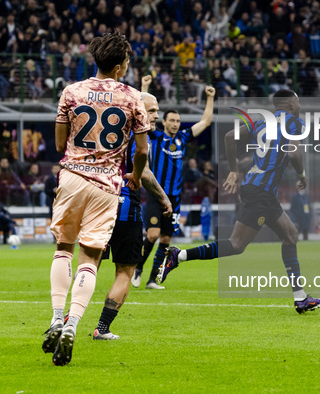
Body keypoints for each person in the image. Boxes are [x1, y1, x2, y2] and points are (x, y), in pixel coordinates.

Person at [159, 90, 320, 314]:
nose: (299, 104)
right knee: (237, 245)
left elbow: (229, 137)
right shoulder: (294, 123)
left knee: (290, 234)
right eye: (298, 100)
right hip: (260, 192)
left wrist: (235, 171)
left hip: (258, 189)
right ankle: (178, 255)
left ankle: (300, 298)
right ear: (292, 103)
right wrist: (302, 176)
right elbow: (295, 154)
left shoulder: (261, 122)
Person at [42, 32, 149, 367]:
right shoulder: (133, 97)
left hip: (72, 177)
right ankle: (74, 324)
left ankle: (57, 318)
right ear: (119, 67)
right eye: (127, 63)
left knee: (63, 249)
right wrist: (134, 172)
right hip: (107, 186)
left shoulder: (71, 92)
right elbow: (143, 150)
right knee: (90, 258)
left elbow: (61, 142)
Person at [93, 88, 172, 340]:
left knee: (88, 266)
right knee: (125, 271)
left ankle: (65, 321)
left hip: (98, 203)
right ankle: (102, 328)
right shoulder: (138, 136)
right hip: (126, 207)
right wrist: (163, 197)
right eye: (152, 111)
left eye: (157, 111)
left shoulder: (108, 128)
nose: (156, 115)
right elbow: (145, 172)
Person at [132, 75, 215, 290]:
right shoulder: (156, 136)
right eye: (172, 121)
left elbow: (205, 122)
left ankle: (152, 279)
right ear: (164, 122)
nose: (176, 124)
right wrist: (145, 88)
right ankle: (138, 267)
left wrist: (210, 98)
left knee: (166, 240)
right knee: (152, 234)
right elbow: (141, 114)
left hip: (175, 198)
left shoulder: (183, 138)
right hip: (156, 194)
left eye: (178, 121)